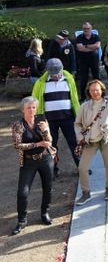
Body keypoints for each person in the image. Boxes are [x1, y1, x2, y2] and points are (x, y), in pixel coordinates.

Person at [74, 79, 108, 205]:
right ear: (88, 92)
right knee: (82, 167)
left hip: (105, 140)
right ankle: (86, 192)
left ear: (102, 90)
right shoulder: (84, 106)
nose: (95, 92)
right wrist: (80, 137)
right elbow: (77, 124)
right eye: (92, 90)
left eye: (97, 90)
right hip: (90, 141)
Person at [11, 97, 54, 235]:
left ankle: (44, 213)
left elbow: (49, 141)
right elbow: (17, 145)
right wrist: (37, 144)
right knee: (22, 192)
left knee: (48, 187)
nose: (31, 110)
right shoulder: (18, 125)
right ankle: (22, 221)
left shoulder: (42, 121)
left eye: (34, 107)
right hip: (28, 161)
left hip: (45, 158)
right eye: (28, 108)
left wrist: (46, 131)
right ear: (23, 110)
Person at [31, 58, 80, 176]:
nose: (56, 76)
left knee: (74, 143)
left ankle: (81, 167)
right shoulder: (40, 83)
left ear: (62, 69)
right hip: (48, 120)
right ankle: (52, 171)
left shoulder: (69, 80)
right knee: (51, 146)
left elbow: (74, 99)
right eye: (53, 74)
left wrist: (78, 116)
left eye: (58, 73)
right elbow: (34, 102)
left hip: (68, 118)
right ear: (48, 72)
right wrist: (37, 120)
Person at [74, 22, 101, 97]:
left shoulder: (95, 36)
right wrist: (91, 48)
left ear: (91, 29)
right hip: (83, 60)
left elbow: (97, 46)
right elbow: (80, 48)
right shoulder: (79, 37)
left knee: (96, 77)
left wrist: (85, 46)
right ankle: (83, 96)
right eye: (84, 29)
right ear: (82, 29)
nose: (86, 30)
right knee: (83, 79)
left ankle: (100, 94)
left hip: (94, 60)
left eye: (88, 28)